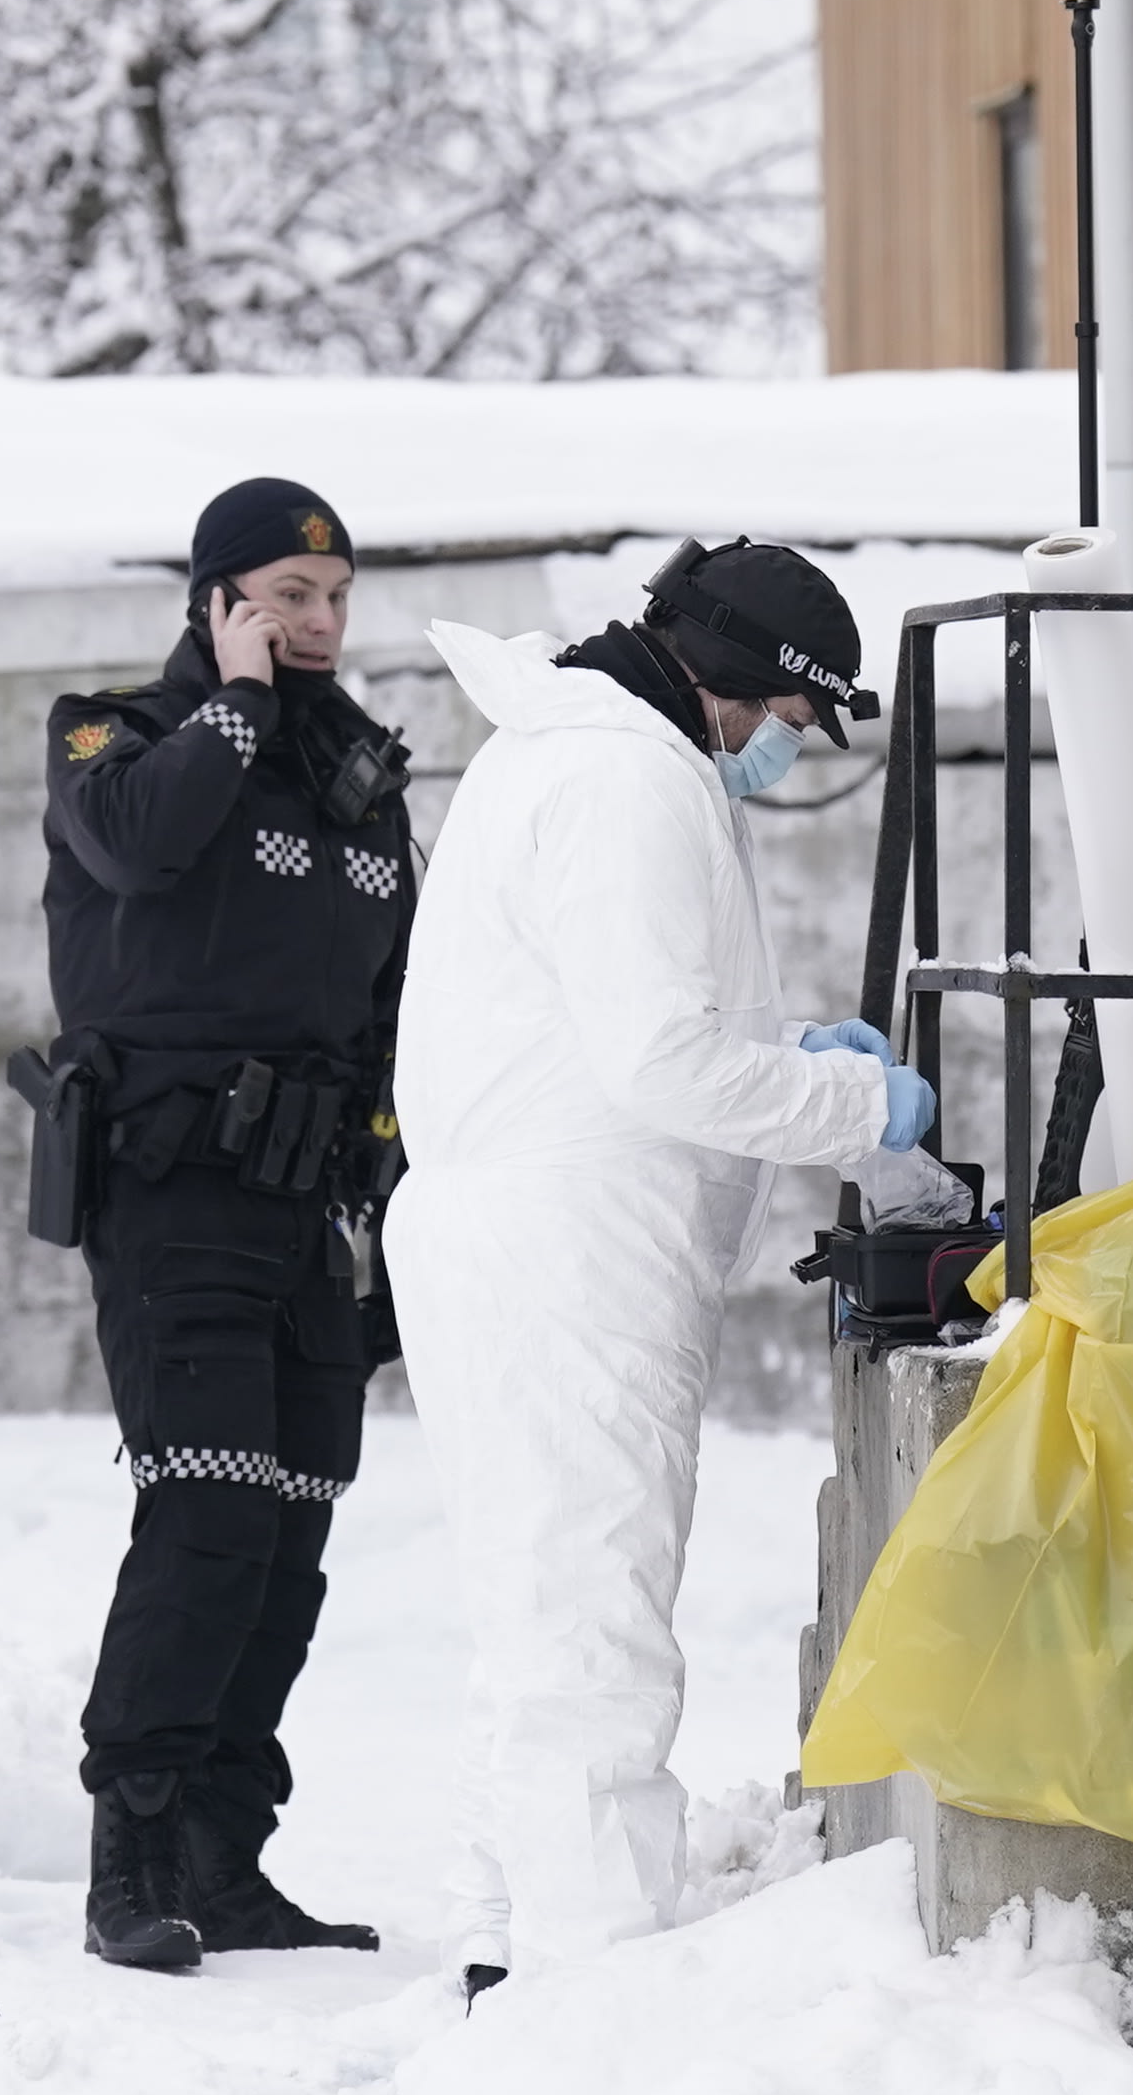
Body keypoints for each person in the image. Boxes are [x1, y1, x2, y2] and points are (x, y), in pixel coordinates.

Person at [387, 537, 930, 1997]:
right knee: (593, 1626)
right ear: (738, 681)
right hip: (570, 1249)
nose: (783, 749)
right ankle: (590, 1978)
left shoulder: (571, 750)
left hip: (524, 1228)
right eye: (791, 718)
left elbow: (609, 1024)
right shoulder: (625, 780)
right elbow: (658, 1063)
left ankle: (504, 1944)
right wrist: (854, 1106)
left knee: (536, 1613)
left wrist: (788, 1050)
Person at [33, 474, 418, 1974]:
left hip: (313, 1201)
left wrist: (394, 1203)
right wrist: (239, 707)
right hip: (173, 1186)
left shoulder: (359, 780)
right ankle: (128, 1861)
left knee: (290, 1531)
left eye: (336, 599)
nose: (320, 623)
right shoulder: (117, 737)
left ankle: (224, 1859)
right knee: (205, 1517)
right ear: (219, 604)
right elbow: (138, 847)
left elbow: (392, 1011)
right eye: (287, 598)